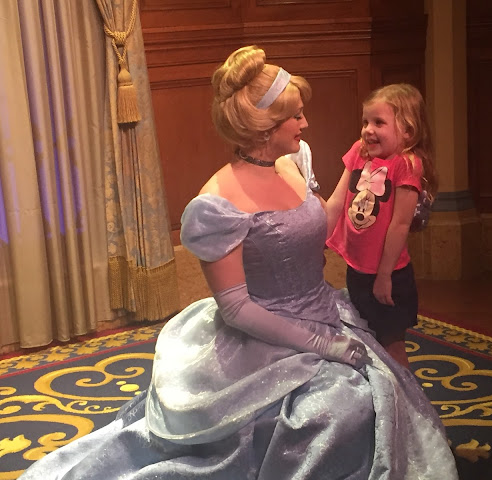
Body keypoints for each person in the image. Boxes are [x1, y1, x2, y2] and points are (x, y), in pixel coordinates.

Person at [18, 47, 457, 479]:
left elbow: (318, 228)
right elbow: (236, 308)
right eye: (296, 116)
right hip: (262, 338)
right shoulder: (217, 202)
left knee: (381, 391)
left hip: (325, 312)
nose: (305, 123)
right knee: (336, 412)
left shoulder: (291, 165)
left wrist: (353, 170)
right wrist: (321, 345)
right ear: (266, 127)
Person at [325, 83, 438, 368]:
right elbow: (337, 201)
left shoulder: (407, 165)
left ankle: (405, 395)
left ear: (408, 131)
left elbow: (400, 224)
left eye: (379, 122)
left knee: (392, 347)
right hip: (358, 270)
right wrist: (318, 242)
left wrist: (384, 276)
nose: (368, 130)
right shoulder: (358, 152)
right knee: (366, 340)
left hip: (389, 276)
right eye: (365, 122)